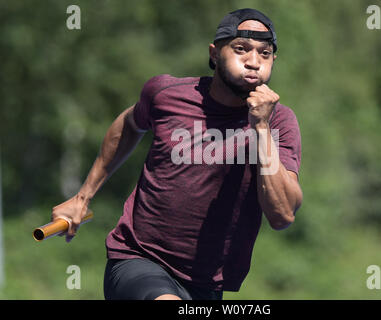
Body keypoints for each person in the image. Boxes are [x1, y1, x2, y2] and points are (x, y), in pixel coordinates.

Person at [51, 8, 303, 300]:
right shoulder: (166, 95)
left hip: (207, 284)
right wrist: (83, 197)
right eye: (241, 49)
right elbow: (130, 124)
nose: (253, 62)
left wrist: (260, 127)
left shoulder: (280, 123)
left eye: (265, 53)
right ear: (214, 53)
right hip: (139, 259)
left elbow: (282, 214)